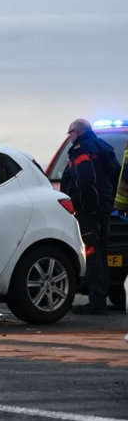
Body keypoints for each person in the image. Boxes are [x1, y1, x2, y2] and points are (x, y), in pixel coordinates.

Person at [61, 119, 121, 315]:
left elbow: (85, 177)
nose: (69, 137)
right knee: (102, 252)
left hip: (89, 210)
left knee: (92, 252)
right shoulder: (103, 146)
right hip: (104, 208)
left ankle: (96, 302)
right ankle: (101, 298)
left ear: (77, 132)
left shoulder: (80, 149)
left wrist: (85, 204)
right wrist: (108, 199)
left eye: (69, 133)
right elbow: (116, 174)